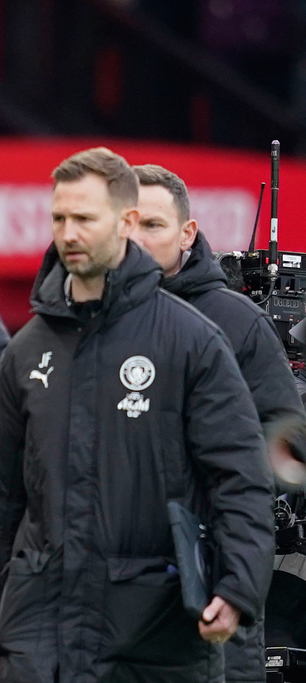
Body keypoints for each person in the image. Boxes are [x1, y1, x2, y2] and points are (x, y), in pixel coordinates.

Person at [0, 147, 274, 683]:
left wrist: (237, 586)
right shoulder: (27, 349)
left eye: (85, 218)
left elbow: (241, 479)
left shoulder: (192, 341)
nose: (69, 232)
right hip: (41, 634)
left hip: (157, 635)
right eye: (59, 217)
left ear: (126, 222)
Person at [130, 163, 306, 682]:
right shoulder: (78, 323)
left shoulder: (237, 323)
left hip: (211, 589)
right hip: (105, 605)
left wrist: (217, 506)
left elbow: (288, 444)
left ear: (187, 232)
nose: (136, 237)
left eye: (153, 224)